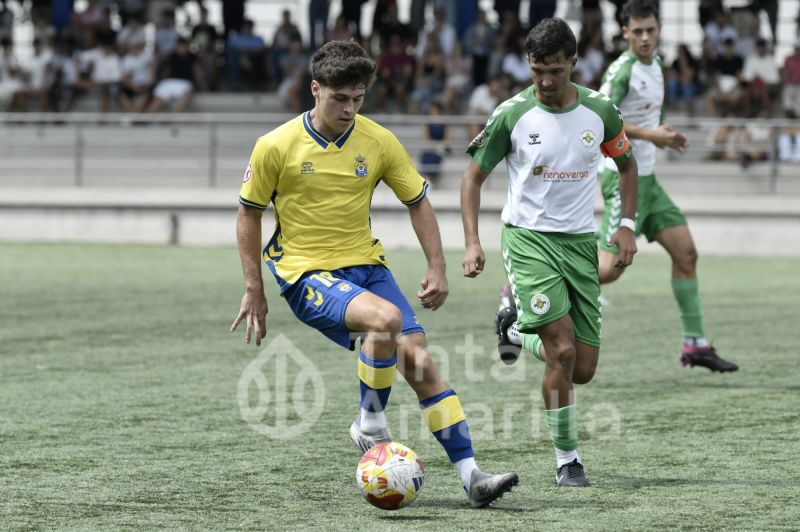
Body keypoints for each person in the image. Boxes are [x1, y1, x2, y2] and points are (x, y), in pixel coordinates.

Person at [230, 40, 518, 508]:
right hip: (305, 273)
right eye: (339, 98)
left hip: (367, 267)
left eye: (358, 98)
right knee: (383, 322)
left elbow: (418, 201)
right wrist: (253, 288)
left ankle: (472, 477)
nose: (349, 109)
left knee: (418, 359)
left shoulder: (378, 140)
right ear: (315, 89)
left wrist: (437, 265)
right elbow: (248, 214)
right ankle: (368, 423)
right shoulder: (275, 146)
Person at [461, 18, 638, 488]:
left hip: (581, 244)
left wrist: (626, 225)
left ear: (574, 64)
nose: (544, 80)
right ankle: (568, 460)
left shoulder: (600, 111)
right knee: (561, 352)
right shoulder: (511, 114)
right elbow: (472, 179)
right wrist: (474, 242)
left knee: (583, 368)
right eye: (537, 68)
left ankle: (515, 328)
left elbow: (627, 165)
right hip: (529, 241)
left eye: (555, 70)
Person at [596, 0, 738, 372]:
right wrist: (652, 135)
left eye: (651, 30)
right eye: (637, 31)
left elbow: (649, 116)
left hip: (649, 180)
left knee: (686, 253)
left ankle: (695, 345)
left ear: (659, 30)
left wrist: (665, 134)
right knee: (608, 269)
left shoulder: (657, 65)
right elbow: (599, 120)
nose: (645, 38)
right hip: (622, 176)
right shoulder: (621, 70)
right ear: (625, 32)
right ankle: (522, 291)